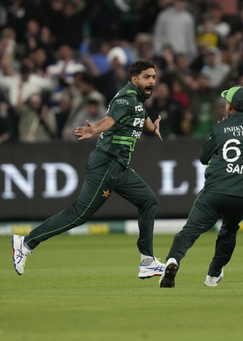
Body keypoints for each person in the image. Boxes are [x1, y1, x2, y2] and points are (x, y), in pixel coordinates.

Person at [12, 59, 165, 279]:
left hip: (118, 166)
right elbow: (110, 120)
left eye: (153, 77)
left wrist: (154, 127)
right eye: (147, 77)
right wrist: (94, 130)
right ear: (134, 79)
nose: (152, 81)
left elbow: (143, 119)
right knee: (79, 214)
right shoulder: (126, 98)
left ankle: (148, 261)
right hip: (107, 163)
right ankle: (25, 243)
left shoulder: (137, 101)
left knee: (148, 200)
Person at [159, 85, 243, 288]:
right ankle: (212, 276)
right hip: (242, 196)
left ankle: (173, 260)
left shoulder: (220, 129)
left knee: (189, 232)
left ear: (229, 106)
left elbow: (203, 158)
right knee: (228, 233)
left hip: (215, 191)